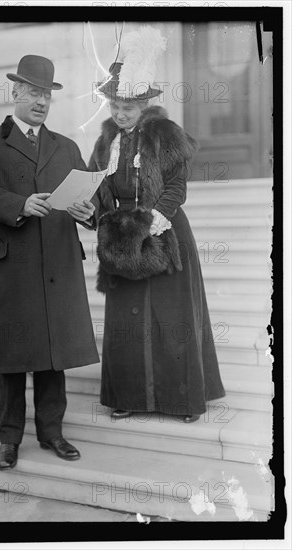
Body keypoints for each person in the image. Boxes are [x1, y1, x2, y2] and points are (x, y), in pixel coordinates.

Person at [0, 55, 99, 470]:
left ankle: (52, 433)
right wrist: (19, 203)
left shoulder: (67, 146)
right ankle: (9, 439)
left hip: (58, 258)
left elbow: (89, 196)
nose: (41, 101)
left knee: (54, 352)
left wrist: (86, 213)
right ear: (16, 92)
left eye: (47, 94)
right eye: (34, 92)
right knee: (13, 355)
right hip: (12, 263)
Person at [88, 27, 226, 422]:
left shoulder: (165, 134)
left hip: (165, 235)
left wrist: (152, 224)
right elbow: (99, 189)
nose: (120, 113)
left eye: (128, 106)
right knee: (127, 318)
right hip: (121, 237)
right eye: (115, 105)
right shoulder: (105, 141)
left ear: (145, 103)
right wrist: (93, 215)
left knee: (171, 317)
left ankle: (182, 399)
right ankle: (128, 396)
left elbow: (177, 188)